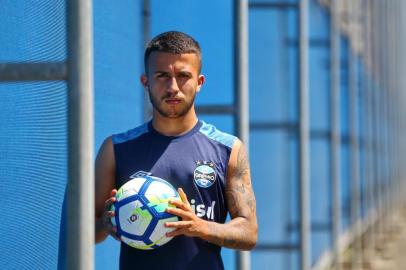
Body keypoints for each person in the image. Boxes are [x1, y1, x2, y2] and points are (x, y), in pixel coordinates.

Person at [95, 31, 257, 270]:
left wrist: (199, 226)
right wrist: (107, 226)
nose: (173, 87)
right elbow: (87, 230)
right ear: (145, 81)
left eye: (183, 76)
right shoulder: (116, 149)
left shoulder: (228, 149)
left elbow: (249, 233)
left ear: (199, 82)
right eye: (162, 76)